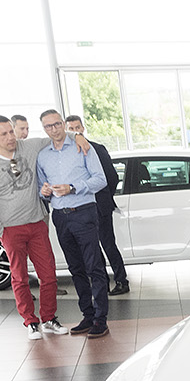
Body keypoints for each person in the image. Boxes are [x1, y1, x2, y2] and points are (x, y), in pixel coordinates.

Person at [0, 114, 90, 340]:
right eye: (4, 134)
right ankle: (30, 322)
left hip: (37, 223)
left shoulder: (29, 147)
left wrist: (78, 136)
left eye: (11, 131)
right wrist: (0, 231)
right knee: (19, 278)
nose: (11, 137)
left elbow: (57, 135)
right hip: (10, 229)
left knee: (48, 275)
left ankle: (48, 319)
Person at [35, 109, 109, 338]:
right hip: (60, 216)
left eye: (57, 124)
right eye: (49, 126)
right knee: (75, 268)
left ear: (63, 124)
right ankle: (87, 315)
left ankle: (101, 319)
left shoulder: (82, 147)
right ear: (44, 129)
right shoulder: (42, 156)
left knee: (94, 267)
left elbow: (101, 179)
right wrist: (44, 191)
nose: (54, 129)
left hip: (83, 212)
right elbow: (41, 188)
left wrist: (73, 188)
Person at [64, 115, 128, 295]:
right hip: (81, 207)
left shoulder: (97, 149)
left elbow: (112, 177)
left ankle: (122, 280)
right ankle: (101, 283)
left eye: (77, 127)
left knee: (108, 244)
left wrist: (103, 197)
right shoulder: (66, 154)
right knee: (91, 248)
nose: (75, 131)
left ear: (83, 128)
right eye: (71, 128)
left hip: (100, 206)